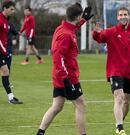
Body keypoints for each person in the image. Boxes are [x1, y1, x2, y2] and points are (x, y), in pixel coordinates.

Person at [93, 7, 130, 135]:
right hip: (115, 71)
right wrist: (96, 32)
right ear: (117, 17)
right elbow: (99, 38)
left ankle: (120, 121)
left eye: (125, 14)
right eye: (120, 15)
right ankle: (120, 128)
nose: (123, 16)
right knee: (118, 97)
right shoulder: (111, 32)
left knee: (127, 102)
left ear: (129, 16)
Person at [36, 3, 93, 135]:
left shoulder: (63, 28)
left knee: (57, 106)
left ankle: (40, 132)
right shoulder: (66, 35)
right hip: (67, 77)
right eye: (80, 16)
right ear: (77, 17)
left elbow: (73, 28)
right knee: (81, 105)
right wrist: (66, 80)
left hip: (60, 76)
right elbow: (57, 57)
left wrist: (83, 19)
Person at [0, 0, 23, 104]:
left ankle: (11, 98)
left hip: (2, 51)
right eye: (11, 9)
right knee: (5, 71)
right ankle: (10, 98)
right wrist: (4, 51)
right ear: (5, 8)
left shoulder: (6, 20)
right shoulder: (0, 20)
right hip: (1, 52)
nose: (12, 11)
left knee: (5, 72)